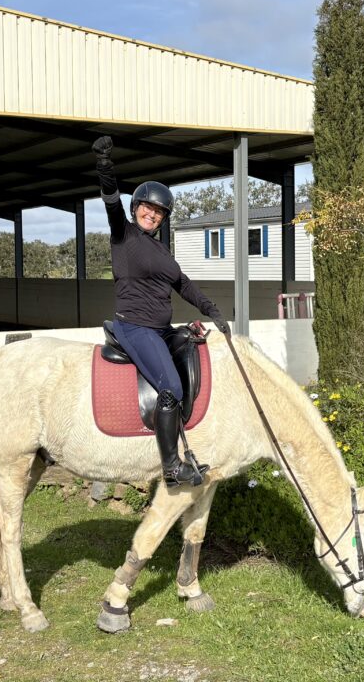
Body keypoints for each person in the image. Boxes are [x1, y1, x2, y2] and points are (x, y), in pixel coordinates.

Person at [91, 135, 231, 487]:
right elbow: (111, 201)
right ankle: (171, 468)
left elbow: (182, 284)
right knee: (171, 388)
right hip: (135, 327)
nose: (152, 214)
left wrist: (212, 310)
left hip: (159, 327)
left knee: (189, 344)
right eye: (146, 208)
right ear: (136, 207)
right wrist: (105, 166)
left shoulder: (162, 251)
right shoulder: (123, 235)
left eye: (158, 212)